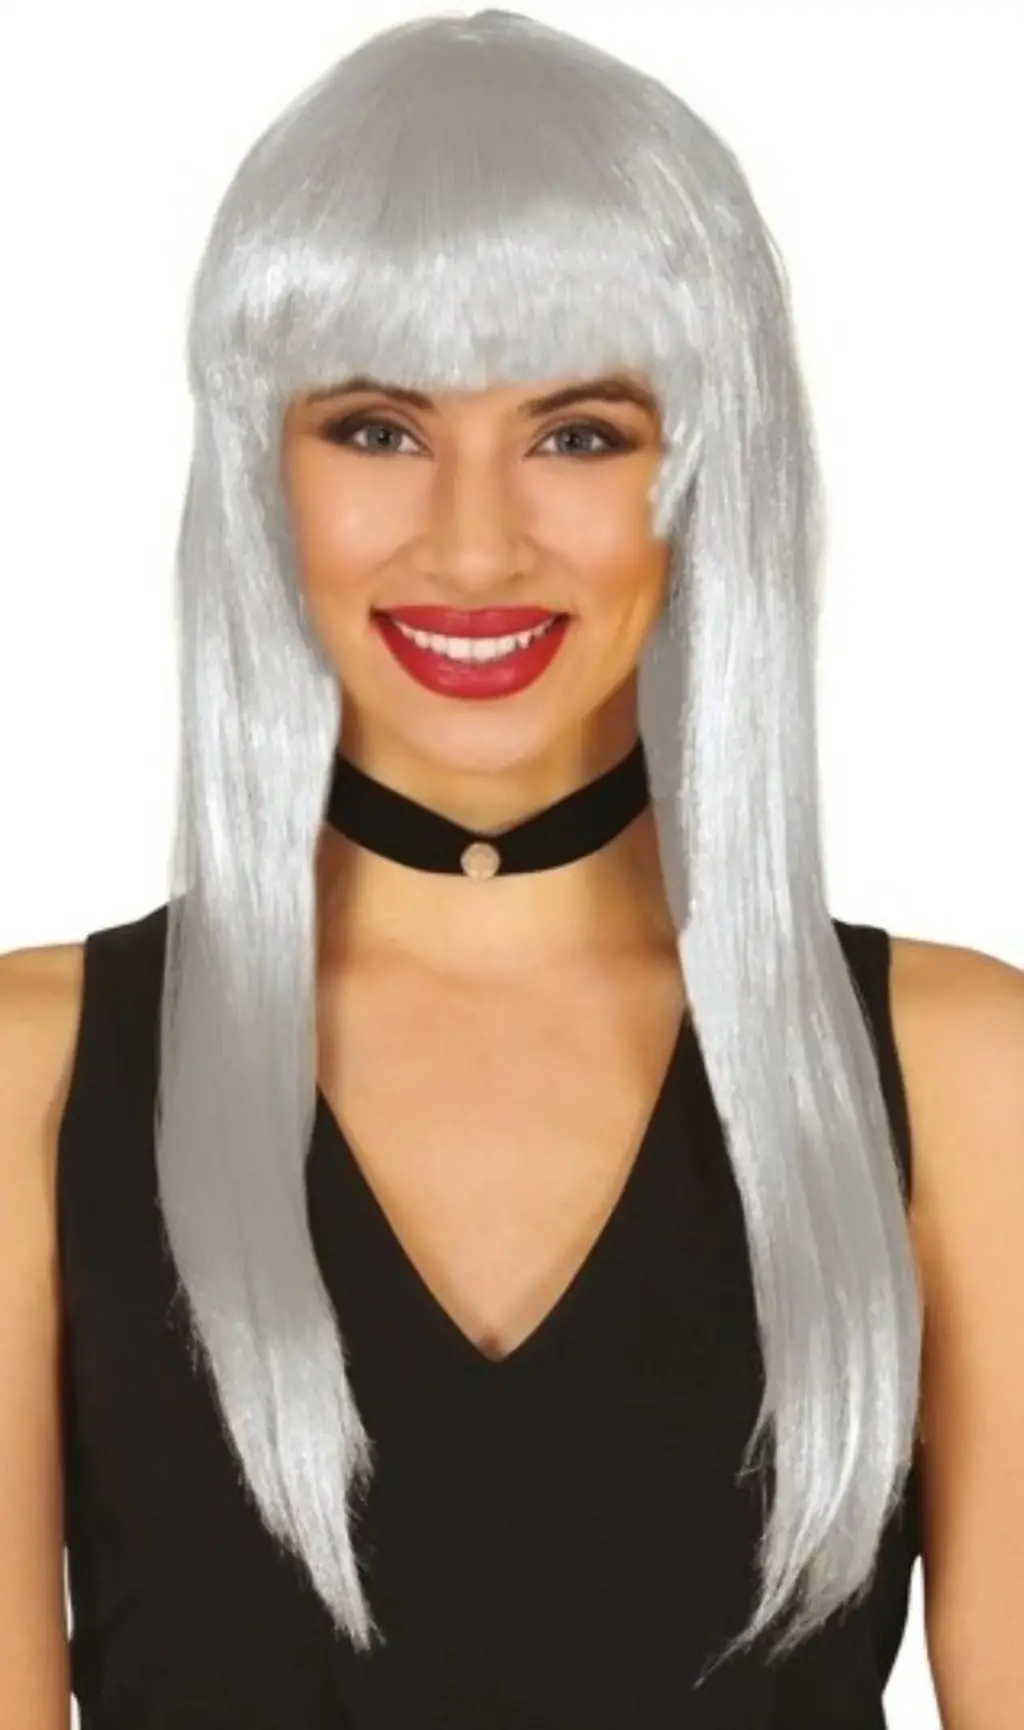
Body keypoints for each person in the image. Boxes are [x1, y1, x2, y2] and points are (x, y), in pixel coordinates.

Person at [1, 9, 1021, 1727]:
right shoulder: (33, 1078)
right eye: (378, 428)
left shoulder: (960, 1076)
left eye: (580, 433)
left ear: (710, 474)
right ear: (259, 470)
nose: (474, 544)